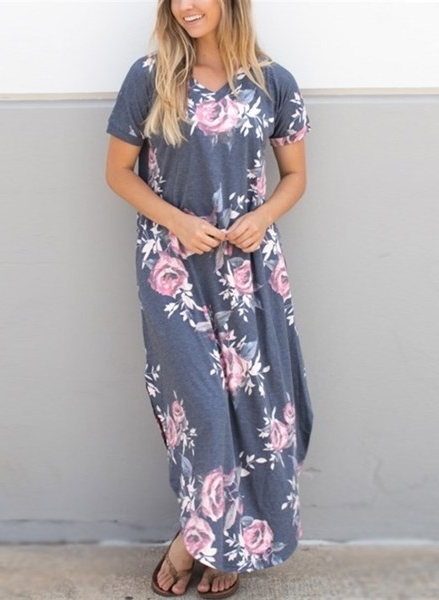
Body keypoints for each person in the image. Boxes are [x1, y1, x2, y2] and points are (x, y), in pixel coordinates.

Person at [105, 0, 314, 597]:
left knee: (254, 409)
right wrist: (177, 221)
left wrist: (262, 217)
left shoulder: (274, 82)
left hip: (250, 270)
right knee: (202, 411)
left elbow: (295, 176)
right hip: (173, 271)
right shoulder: (149, 77)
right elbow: (118, 172)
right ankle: (203, 538)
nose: (186, 5)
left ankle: (223, 542)